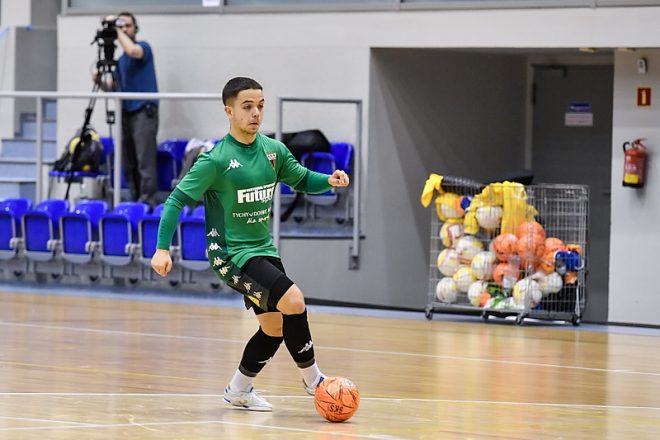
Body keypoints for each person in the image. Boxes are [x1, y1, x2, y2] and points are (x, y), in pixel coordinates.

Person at [151, 77, 350, 411]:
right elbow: (175, 201)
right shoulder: (214, 160)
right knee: (294, 301)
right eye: (247, 106)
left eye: (260, 105)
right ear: (229, 111)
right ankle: (314, 380)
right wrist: (161, 248)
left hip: (263, 251)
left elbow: (300, 178)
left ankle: (238, 389)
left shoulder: (274, 151)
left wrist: (327, 181)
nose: (256, 112)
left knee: (273, 329)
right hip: (231, 255)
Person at [102, 11, 159, 206]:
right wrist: (98, 79)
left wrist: (115, 29)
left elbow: (134, 51)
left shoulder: (143, 48)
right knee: (129, 162)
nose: (123, 29)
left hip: (144, 111)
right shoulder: (121, 60)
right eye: (120, 25)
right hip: (126, 113)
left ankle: (148, 204)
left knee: (145, 160)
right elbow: (112, 87)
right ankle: (136, 202)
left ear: (135, 28)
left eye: (127, 25)